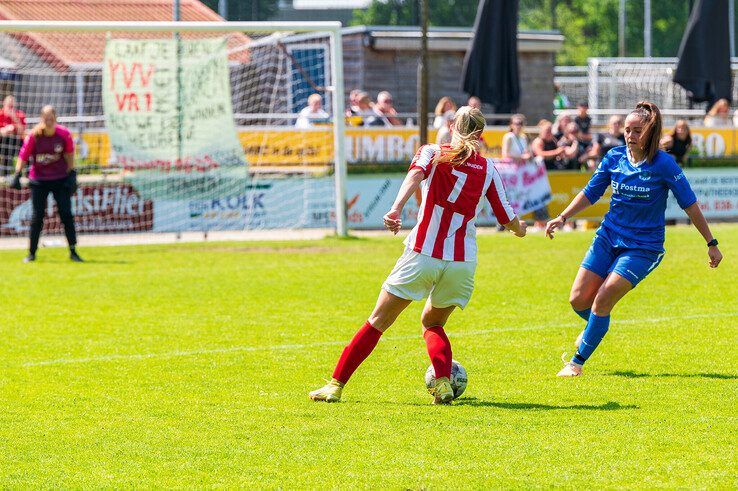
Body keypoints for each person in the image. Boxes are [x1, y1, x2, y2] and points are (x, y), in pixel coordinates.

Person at [309, 106, 527, 403]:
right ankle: (443, 383)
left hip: (423, 253)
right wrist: (521, 229)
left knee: (378, 321)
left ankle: (335, 385)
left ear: (452, 126)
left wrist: (396, 208)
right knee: (433, 324)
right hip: (462, 263)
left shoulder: (433, 151)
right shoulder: (488, 168)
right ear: (481, 134)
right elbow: (508, 219)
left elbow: (414, 177)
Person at [545, 101, 722, 377]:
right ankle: (596, 326)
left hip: (643, 247)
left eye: (637, 130)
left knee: (602, 300)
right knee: (578, 300)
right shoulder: (614, 157)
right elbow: (591, 193)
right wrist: (563, 217)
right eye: (627, 130)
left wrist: (711, 243)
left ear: (650, 132)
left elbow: (689, 203)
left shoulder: (664, 164)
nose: (630, 135)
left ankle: (576, 363)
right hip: (608, 237)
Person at [11, 105, 82, 263]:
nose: (48, 122)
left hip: (60, 179)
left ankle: (73, 251)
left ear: (55, 118)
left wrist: (72, 174)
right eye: (46, 119)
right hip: (39, 180)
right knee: (37, 217)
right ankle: (32, 253)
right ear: (41, 119)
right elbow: (23, 156)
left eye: (51, 118)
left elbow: (70, 155)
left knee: (66, 214)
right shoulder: (34, 135)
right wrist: (17, 174)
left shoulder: (64, 134)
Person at [0, 95, 26, 175]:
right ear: (4, 104)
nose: (10, 107)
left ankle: (24, 174)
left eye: (12, 105)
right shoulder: (0, 114)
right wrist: (4, 130)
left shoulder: (19, 114)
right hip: (3, 141)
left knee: (26, 148)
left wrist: (14, 117)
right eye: (9, 105)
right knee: (5, 152)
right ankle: (5, 175)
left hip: (16, 141)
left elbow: (22, 131)